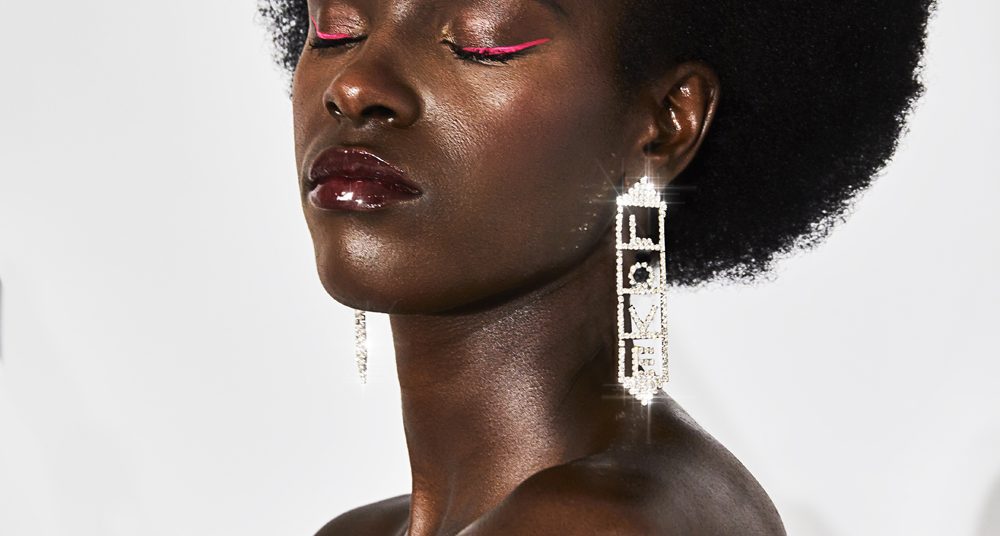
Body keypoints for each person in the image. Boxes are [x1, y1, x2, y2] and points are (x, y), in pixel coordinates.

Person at [258, 0, 933, 534]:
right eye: (336, 29)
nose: (355, 85)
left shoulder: (595, 523)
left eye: (484, 41)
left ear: (665, 123)